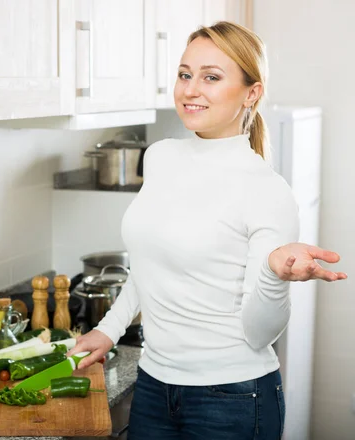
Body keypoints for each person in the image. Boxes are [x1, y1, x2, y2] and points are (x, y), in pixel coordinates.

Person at [67, 21, 348, 440]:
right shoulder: (160, 157)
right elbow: (149, 266)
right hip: (153, 387)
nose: (190, 89)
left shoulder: (266, 190)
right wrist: (109, 328)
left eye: (211, 77)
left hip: (232, 398)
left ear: (251, 92)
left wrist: (273, 274)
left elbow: (259, 334)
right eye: (185, 74)